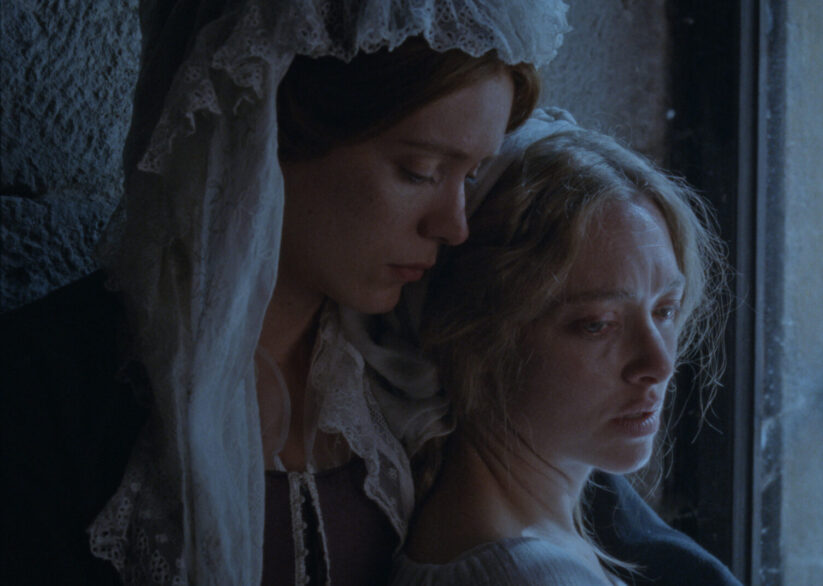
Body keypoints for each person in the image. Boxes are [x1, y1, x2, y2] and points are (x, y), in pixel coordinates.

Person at [2, 2, 735, 585]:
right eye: (420, 171)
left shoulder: (414, 345)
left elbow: (630, 537)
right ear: (269, 131)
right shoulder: (46, 388)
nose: (452, 224)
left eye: (470, 176)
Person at [389, 111, 736, 585]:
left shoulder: (535, 544)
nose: (658, 364)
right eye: (598, 325)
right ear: (478, 335)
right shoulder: (525, 574)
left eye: (665, 310)